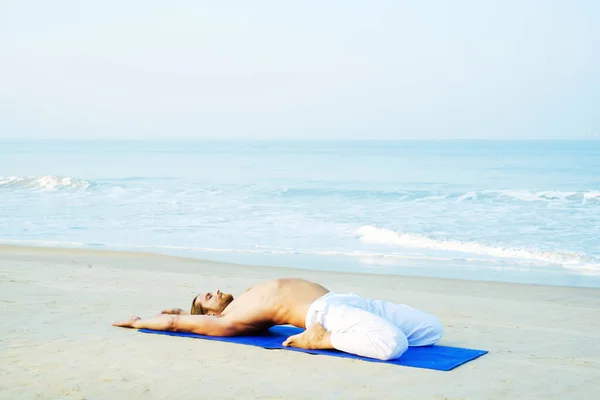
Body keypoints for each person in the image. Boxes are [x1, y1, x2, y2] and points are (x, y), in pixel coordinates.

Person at [113, 278, 443, 361]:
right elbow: (175, 325)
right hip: (328, 314)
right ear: (209, 315)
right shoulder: (230, 320)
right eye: (207, 297)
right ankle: (323, 339)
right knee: (392, 345)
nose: (214, 291)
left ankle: (358, 331)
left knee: (431, 329)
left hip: (354, 302)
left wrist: (183, 310)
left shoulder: (239, 303)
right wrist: (139, 321)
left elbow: (181, 316)